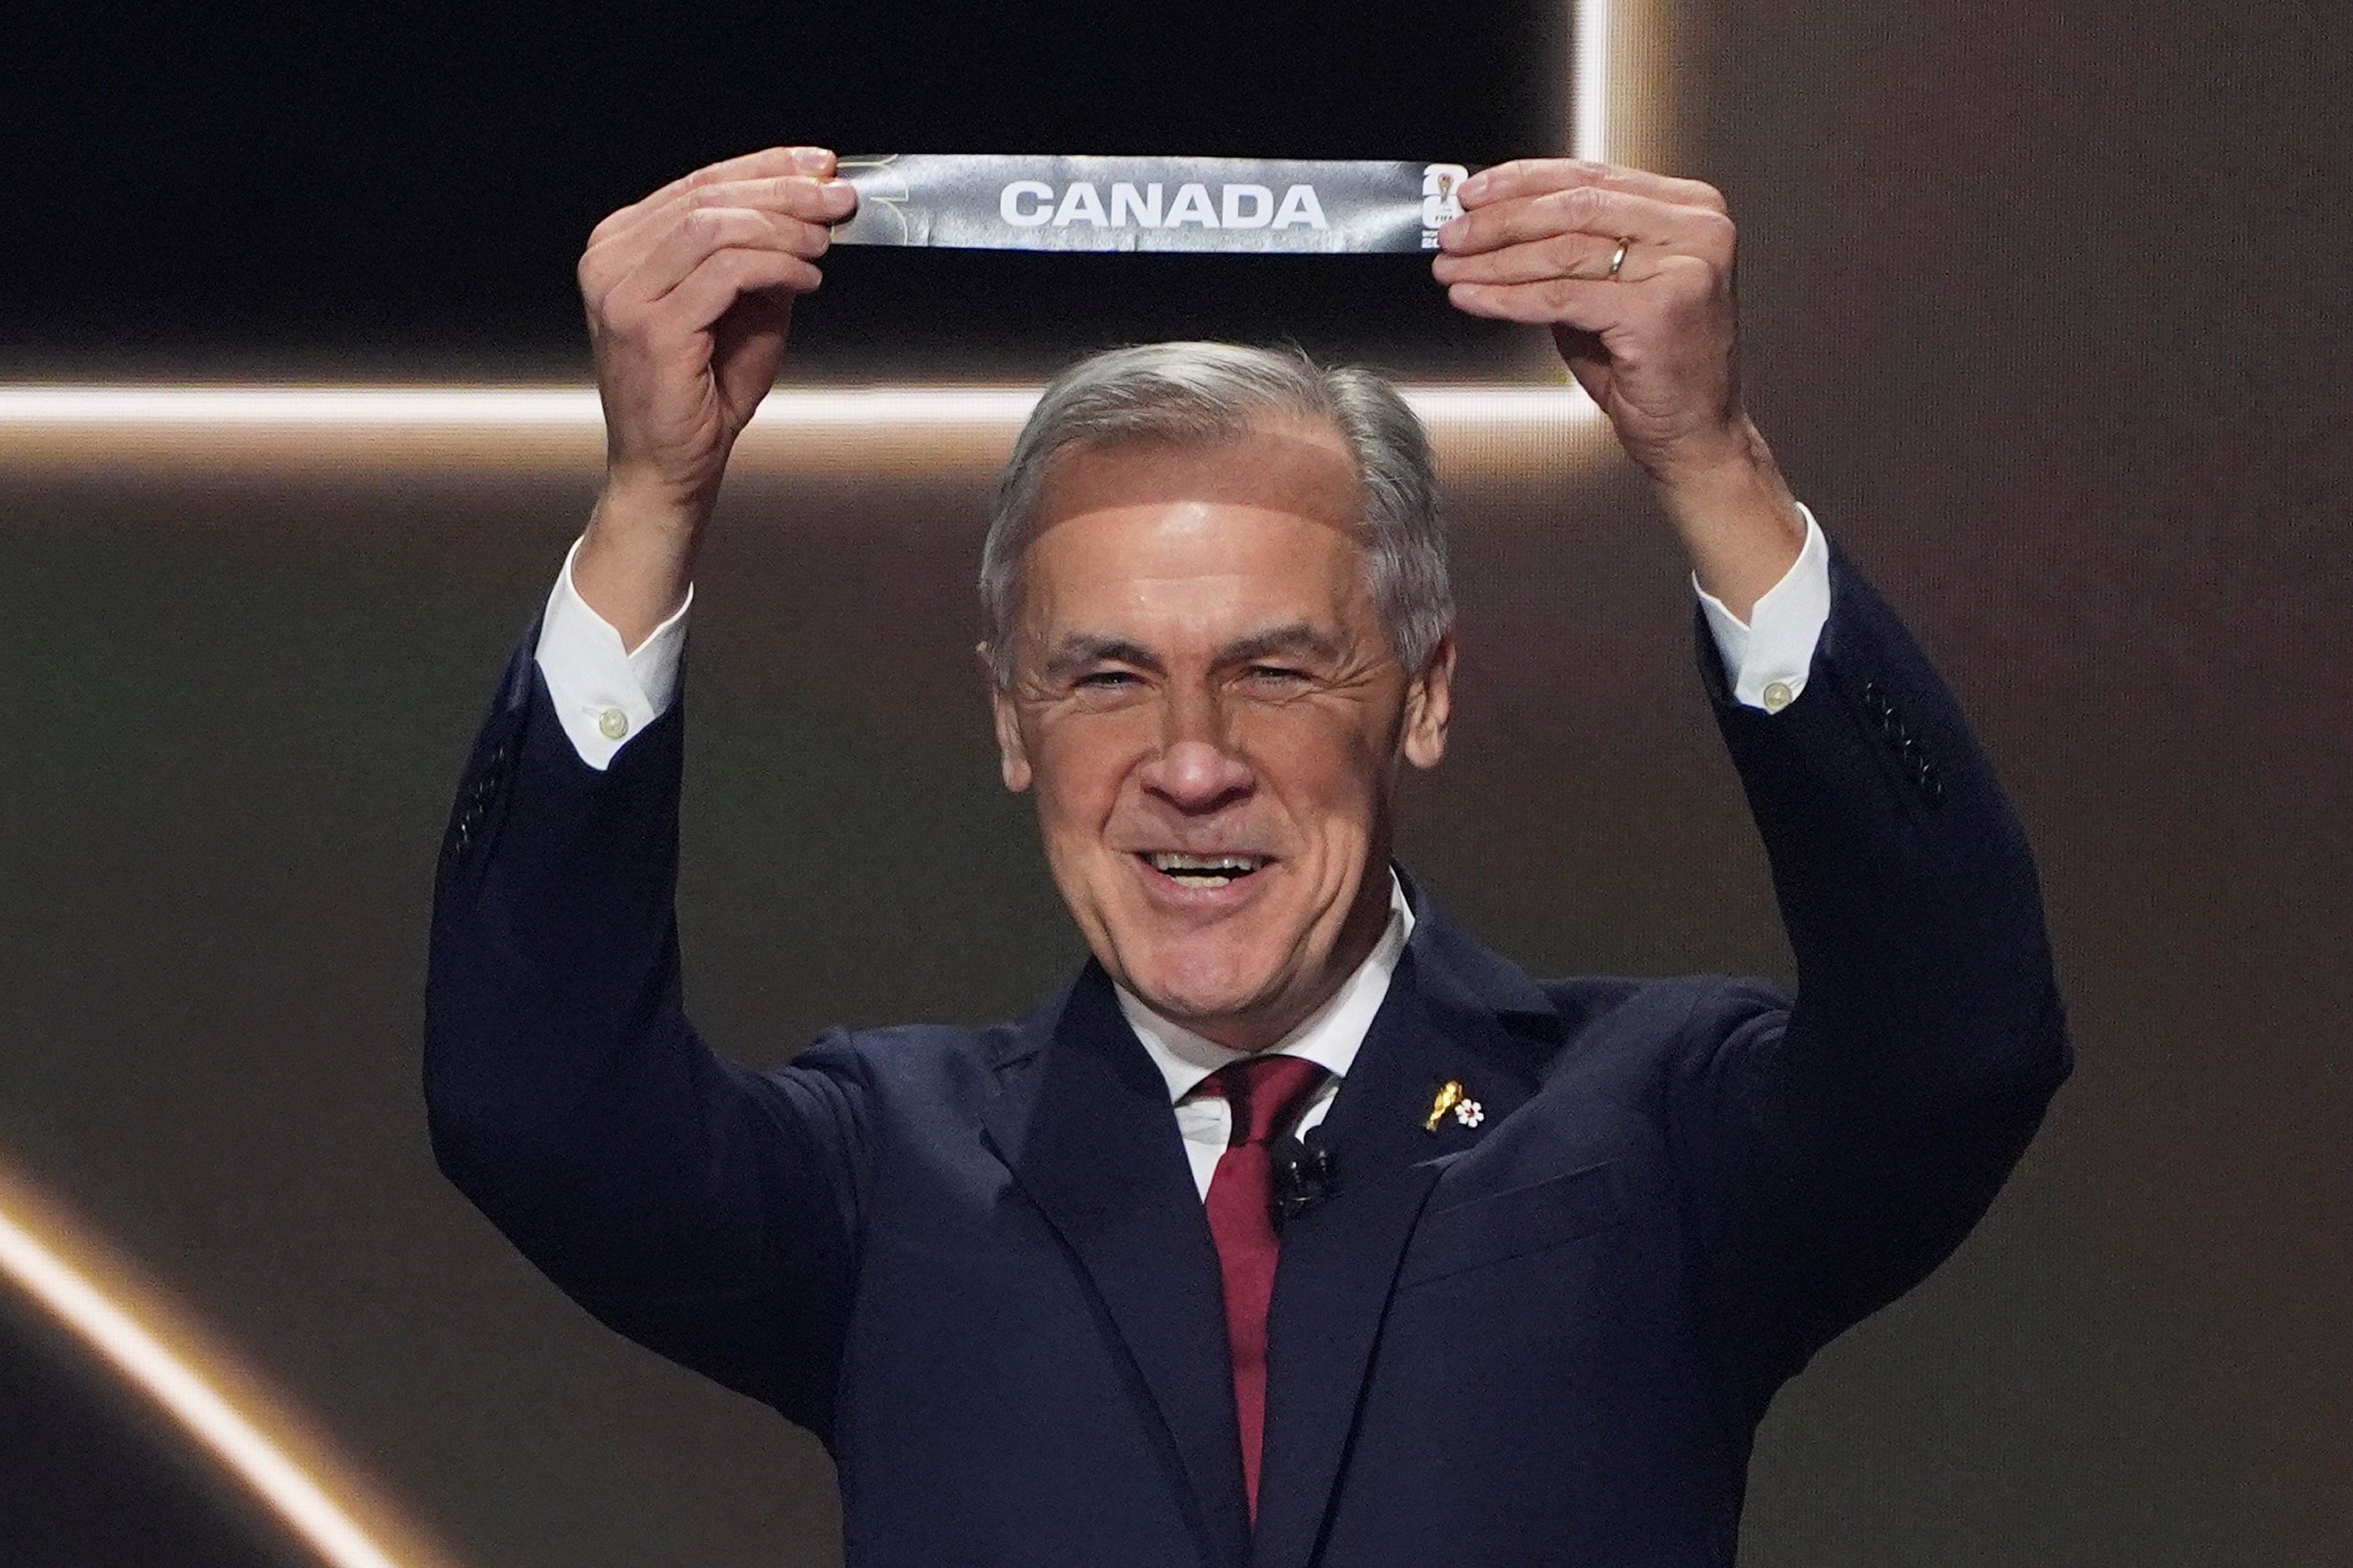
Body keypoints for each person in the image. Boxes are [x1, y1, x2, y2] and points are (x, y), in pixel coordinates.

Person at [425, 146, 2069, 1567]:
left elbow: (1961, 1041)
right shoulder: (890, 1179)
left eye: (1276, 672)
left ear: (1423, 694)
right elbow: (535, 1100)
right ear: (1011, 725)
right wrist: (656, 494)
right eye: (1106, 676)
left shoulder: (1648, 1132)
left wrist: (1714, 464)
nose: (1191, 765)